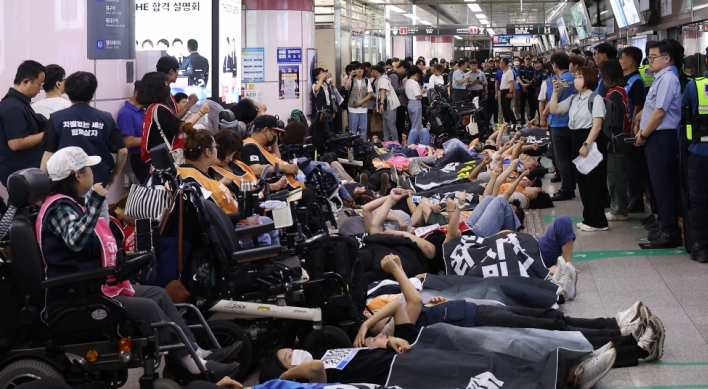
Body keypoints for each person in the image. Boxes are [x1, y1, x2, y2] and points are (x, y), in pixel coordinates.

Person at [38, 147, 242, 382]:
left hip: (98, 283)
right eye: (89, 169)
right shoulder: (59, 208)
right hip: (77, 294)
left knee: (159, 295)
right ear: (77, 176)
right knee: (147, 308)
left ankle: (199, 353)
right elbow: (76, 241)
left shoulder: (76, 204)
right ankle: (193, 365)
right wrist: (95, 201)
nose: (93, 174)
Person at [176, 124, 280, 247]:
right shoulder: (193, 178)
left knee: (269, 223)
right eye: (216, 147)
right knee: (264, 234)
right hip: (226, 231)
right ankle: (264, 262)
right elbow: (213, 215)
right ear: (208, 152)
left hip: (230, 222)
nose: (217, 150)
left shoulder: (191, 173)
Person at [40, 71, 128, 192]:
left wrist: (41, 184)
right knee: (98, 210)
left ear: (68, 93)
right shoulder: (105, 118)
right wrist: (115, 174)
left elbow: (48, 153)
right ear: (92, 94)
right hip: (98, 181)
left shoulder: (56, 118)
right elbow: (123, 151)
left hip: (65, 183)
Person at [633, 41, 682, 248]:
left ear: (666, 58)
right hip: (655, 137)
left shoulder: (668, 79)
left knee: (664, 186)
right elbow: (652, 107)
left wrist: (643, 134)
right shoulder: (660, 77)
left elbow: (660, 112)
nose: (649, 61)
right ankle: (664, 224)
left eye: (653, 57)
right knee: (657, 185)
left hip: (662, 137)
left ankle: (671, 232)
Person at [549, 66, 608, 232]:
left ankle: (598, 221)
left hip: (590, 141)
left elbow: (597, 126)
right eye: (575, 76)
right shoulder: (574, 99)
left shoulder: (595, 99)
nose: (576, 79)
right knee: (582, 181)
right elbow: (554, 109)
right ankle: (588, 217)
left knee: (594, 182)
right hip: (576, 138)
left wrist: (586, 145)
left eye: (580, 76)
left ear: (588, 79)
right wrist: (555, 92)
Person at [138, 72, 209, 164]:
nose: (168, 88)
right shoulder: (159, 109)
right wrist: (201, 112)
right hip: (162, 160)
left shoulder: (151, 108)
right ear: (158, 88)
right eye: (166, 84)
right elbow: (180, 127)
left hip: (154, 158)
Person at [0, 60, 46, 187]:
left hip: (26, 174)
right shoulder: (12, 107)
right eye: (39, 84)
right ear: (26, 81)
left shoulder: (20, 103)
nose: (41, 88)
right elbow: (16, 143)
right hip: (22, 177)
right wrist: (47, 133)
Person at [681, 65, 708, 263]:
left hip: (700, 151)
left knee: (699, 198)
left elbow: (685, 116)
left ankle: (702, 245)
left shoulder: (695, 86)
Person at [601, 60, 632, 222]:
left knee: (615, 176)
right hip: (616, 139)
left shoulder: (616, 94)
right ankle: (617, 206)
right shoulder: (616, 91)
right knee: (613, 175)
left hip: (616, 140)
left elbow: (614, 120)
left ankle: (619, 209)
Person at [619, 46, 649, 214]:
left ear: (630, 61)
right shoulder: (627, 79)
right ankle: (632, 197)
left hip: (632, 130)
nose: (620, 61)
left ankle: (636, 199)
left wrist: (634, 128)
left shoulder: (636, 81)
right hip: (626, 128)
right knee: (629, 166)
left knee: (634, 167)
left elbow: (638, 106)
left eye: (622, 58)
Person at [546, 52, 578, 202]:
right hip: (572, 122)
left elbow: (555, 100)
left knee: (561, 158)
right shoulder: (573, 78)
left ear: (555, 65)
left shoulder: (560, 81)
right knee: (570, 157)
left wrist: (544, 114)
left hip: (559, 122)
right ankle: (571, 185)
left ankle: (567, 189)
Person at [117, 80, 149, 183]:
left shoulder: (143, 111)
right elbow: (129, 142)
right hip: (139, 159)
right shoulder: (126, 113)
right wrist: (152, 138)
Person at [343, 62, 373, 140]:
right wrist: (350, 76)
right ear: (354, 70)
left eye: (361, 69)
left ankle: (363, 146)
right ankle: (352, 147)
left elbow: (369, 94)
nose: (360, 71)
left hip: (363, 108)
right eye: (357, 69)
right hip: (352, 108)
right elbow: (346, 87)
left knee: (363, 129)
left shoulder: (366, 81)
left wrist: (361, 101)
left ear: (363, 71)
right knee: (352, 130)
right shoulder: (351, 80)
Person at [372, 65, 400, 142]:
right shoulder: (379, 79)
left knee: (390, 125)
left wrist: (381, 104)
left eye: (373, 71)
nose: (372, 73)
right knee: (385, 126)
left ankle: (396, 142)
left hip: (389, 105)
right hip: (386, 106)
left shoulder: (383, 79)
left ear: (376, 72)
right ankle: (387, 142)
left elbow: (383, 91)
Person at [405, 67, 428, 146]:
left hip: (410, 103)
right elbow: (418, 95)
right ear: (416, 74)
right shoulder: (414, 83)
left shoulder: (408, 82)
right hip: (416, 103)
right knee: (417, 125)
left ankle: (412, 142)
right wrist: (423, 91)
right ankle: (415, 143)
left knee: (413, 123)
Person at [389, 61, 409, 141]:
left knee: (400, 124)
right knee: (398, 124)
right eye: (406, 70)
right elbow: (394, 89)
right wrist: (404, 88)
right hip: (397, 104)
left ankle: (399, 141)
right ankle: (397, 142)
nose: (405, 73)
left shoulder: (397, 75)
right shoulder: (394, 76)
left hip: (400, 103)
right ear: (402, 68)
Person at [499, 58, 517, 125]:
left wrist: (510, 92)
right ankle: (507, 123)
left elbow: (512, 83)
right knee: (504, 109)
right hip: (502, 91)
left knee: (507, 109)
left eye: (501, 62)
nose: (500, 64)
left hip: (507, 91)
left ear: (504, 63)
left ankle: (515, 123)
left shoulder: (509, 72)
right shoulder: (504, 72)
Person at [517, 56, 535, 124]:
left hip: (530, 88)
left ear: (530, 61)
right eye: (526, 59)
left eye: (529, 60)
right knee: (522, 105)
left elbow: (533, 78)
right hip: (522, 88)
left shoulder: (532, 69)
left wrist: (527, 85)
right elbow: (518, 78)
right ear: (524, 60)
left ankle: (532, 119)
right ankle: (522, 119)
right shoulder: (520, 68)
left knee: (531, 105)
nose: (527, 61)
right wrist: (523, 85)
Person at [484, 59, 499, 123]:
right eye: (489, 62)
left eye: (492, 62)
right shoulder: (484, 71)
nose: (491, 63)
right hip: (487, 92)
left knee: (496, 108)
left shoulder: (497, 71)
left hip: (495, 92)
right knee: (487, 108)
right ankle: (488, 123)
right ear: (487, 63)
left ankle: (496, 122)